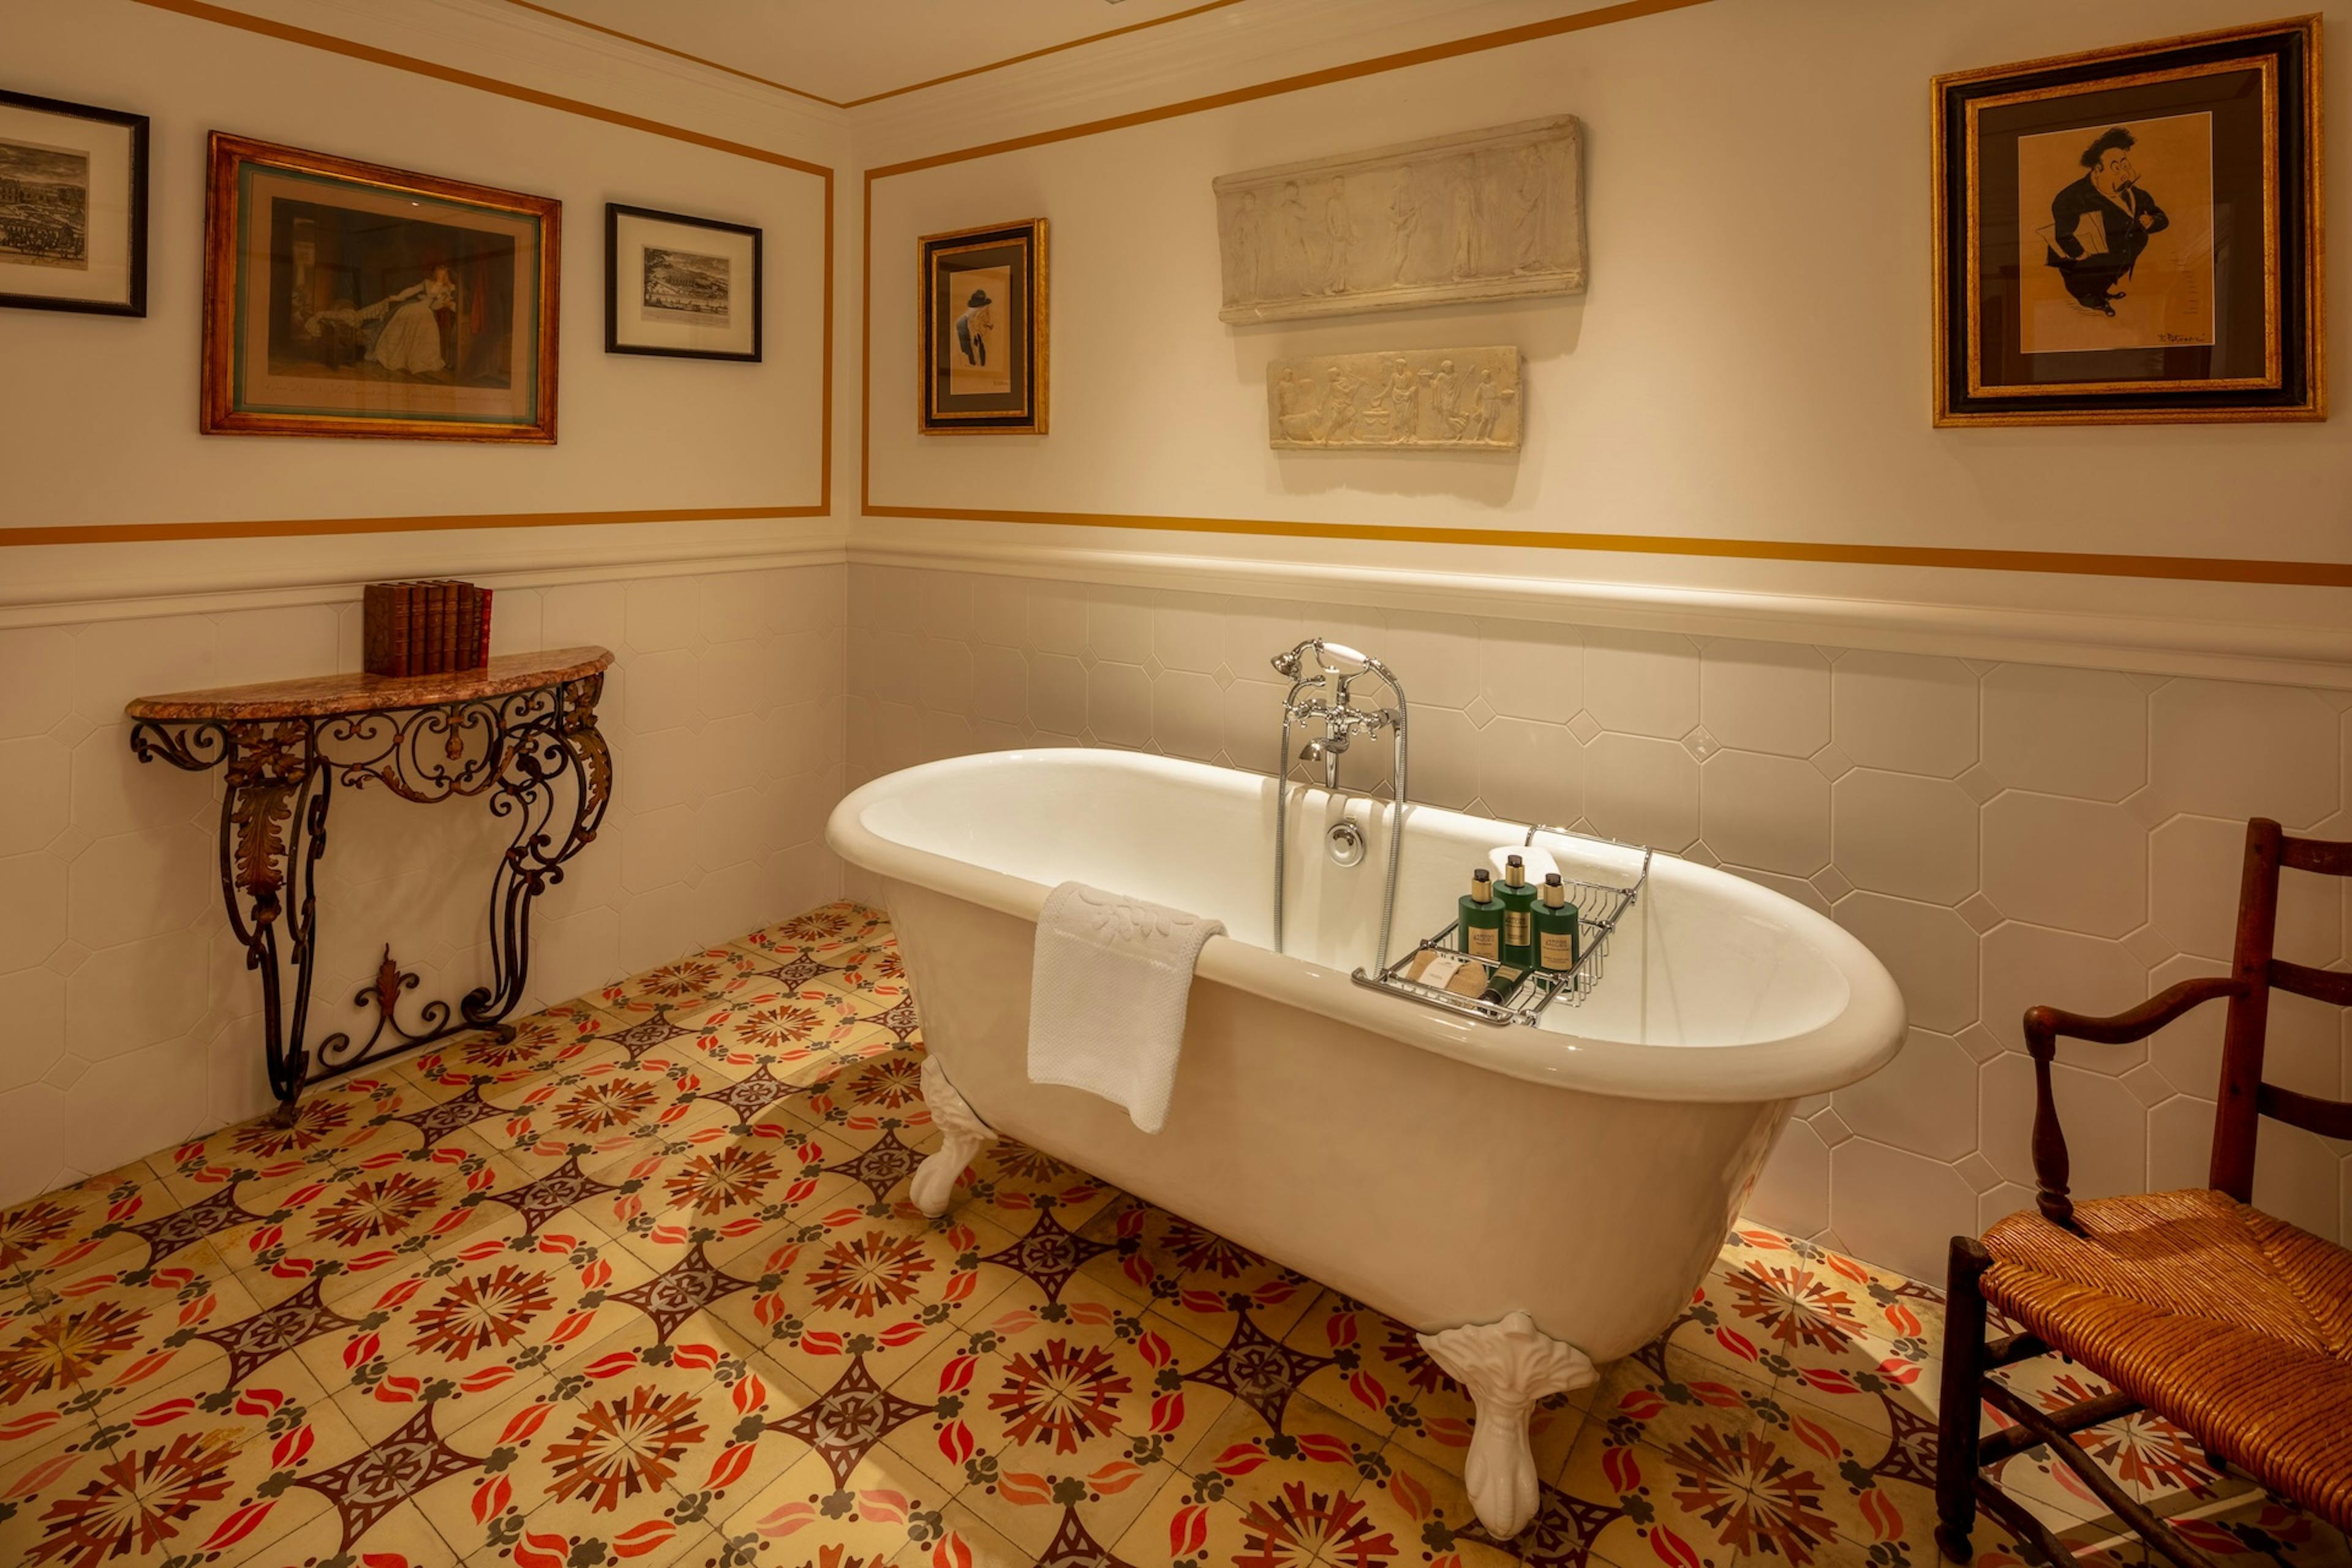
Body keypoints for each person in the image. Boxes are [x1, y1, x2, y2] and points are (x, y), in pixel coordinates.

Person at [2045, 126, 2169, 317]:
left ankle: (2102, 293)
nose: (2124, 173)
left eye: (2125, 165)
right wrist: (2079, 253)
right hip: (2084, 268)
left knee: (2102, 282)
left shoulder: (2138, 195)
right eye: (2116, 167)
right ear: (2097, 170)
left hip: (2117, 264)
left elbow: (2162, 218)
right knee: (2088, 289)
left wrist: (2153, 221)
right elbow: (2064, 236)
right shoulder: (2071, 198)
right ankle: (2094, 300)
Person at [369, 264, 455, 377]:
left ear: (446, 275)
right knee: (402, 325)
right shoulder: (427, 283)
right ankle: (400, 358)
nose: (440, 275)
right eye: (439, 273)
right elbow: (411, 290)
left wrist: (442, 298)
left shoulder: (446, 290)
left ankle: (419, 361)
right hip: (416, 307)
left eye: (443, 273)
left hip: (427, 311)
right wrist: (399, 297)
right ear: (436, 273)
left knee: (425, 334)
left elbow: (437, 306)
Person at [954, 287, 994, 366]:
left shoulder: (977, 335)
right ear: (978, 314)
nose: (987, 322)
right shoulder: (962, 326)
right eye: (985, 314)